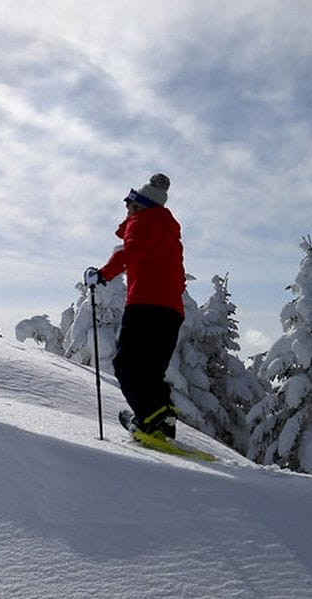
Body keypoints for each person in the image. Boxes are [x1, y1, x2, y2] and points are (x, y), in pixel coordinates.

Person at [85, 173, 185, 440]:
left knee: (126, 365)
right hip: (172, 312)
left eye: (129, 204)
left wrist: (102, 275)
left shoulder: (142, 221)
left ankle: (149, 421)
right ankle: (163, 419)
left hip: (144, 305)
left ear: (138, 205)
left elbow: (130, 252)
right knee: (151, 369)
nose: (127, 209)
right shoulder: (170, 233)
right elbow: (178, 277)